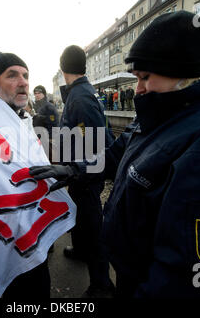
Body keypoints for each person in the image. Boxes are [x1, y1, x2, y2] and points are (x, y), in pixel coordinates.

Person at [29, 11, 200, 298]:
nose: (138, 89)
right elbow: (116, 154)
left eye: (144, 77)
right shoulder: (161, 112)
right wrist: (75, 170)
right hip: (133, 274)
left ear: (178, 73)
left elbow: (193, 280)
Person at [0, 52, 51, 299]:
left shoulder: (17, 119)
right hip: (11, 242)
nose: (23, 81)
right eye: (12, 75)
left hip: (28, 236)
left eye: (25, 75)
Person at [57, 45, 115, 298]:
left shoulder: (79, 98)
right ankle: (81, 251)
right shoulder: (80, 93)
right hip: (80, 171)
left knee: (92, 226)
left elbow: (93, 142)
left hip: (85, 173)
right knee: (82, 218)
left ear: (62, 68)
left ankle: (102, 284)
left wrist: (78, 168)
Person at [32, 85, 59, 162]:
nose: (37, 95)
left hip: (47, 140)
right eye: (35, 93)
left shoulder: (49, 107)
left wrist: (50, 139)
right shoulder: (35, 106)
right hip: (37, 140)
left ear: (44, 94)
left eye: (39, 93)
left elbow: (54, 124)